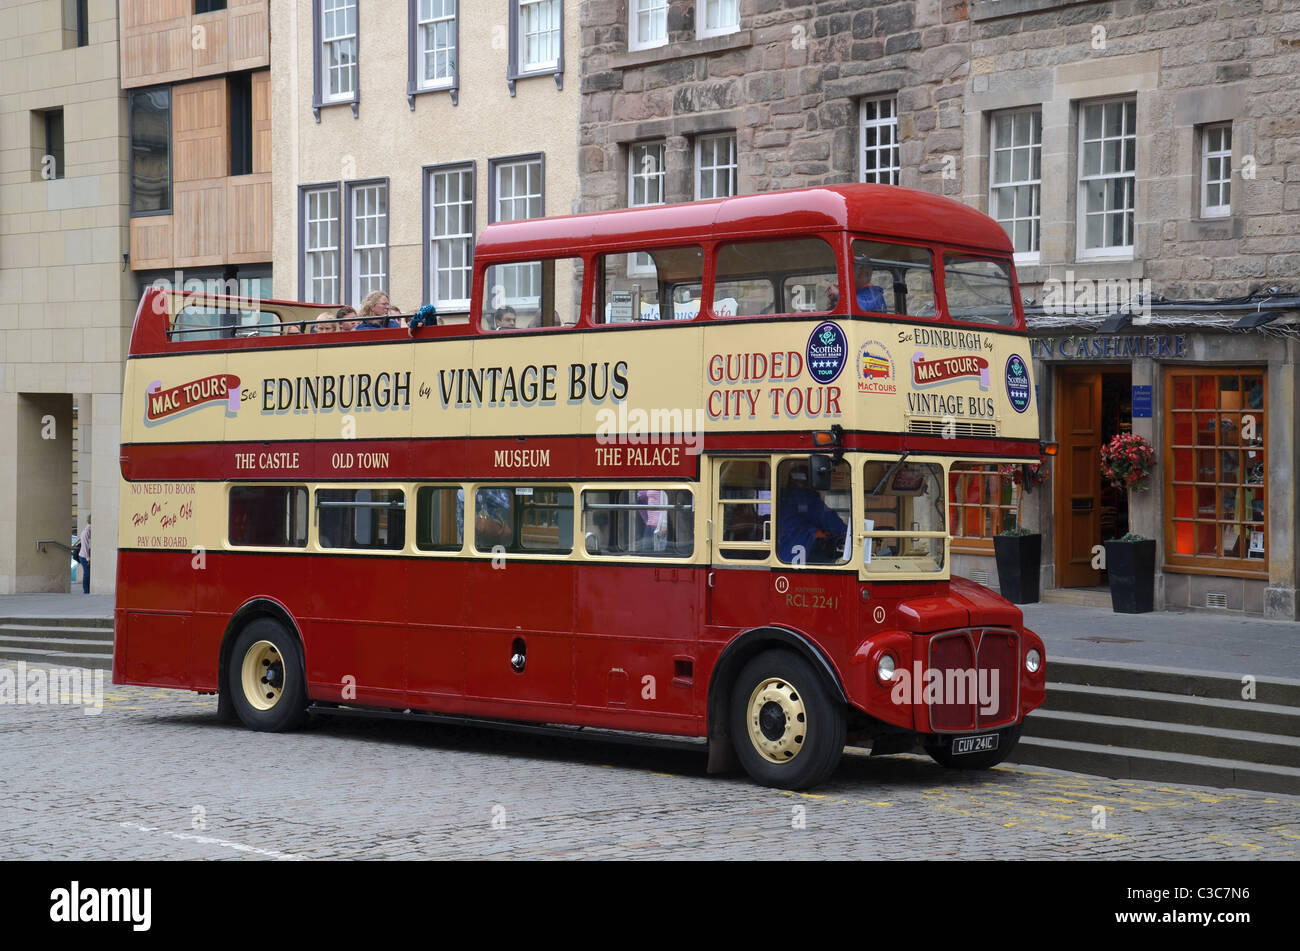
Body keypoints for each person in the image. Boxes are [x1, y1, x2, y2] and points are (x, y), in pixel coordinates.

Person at [777, 463, 846, 564]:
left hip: (784, 554)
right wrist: (847, 531)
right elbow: (829, 520)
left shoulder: (785, 499)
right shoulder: (805, 499)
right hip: (797, 558)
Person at [76, 515, 91, 594]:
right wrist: (88, 558)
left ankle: (87, 590)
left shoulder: (88, 530)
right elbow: (85, 546)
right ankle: (86, 591)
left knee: (88, 573)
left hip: (84, 555)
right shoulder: (86, 531)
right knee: (87, 573)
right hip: (84, 556)